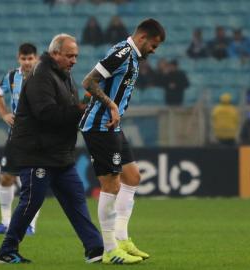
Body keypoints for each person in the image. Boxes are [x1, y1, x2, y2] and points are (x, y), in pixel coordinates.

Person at [0, 34, 103, 264]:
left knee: (76, 201)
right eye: (69, 55)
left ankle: (95, 250)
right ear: (55, 54)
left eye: (76, 56)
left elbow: (69, 109)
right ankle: (6, 250)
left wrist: (83, 106)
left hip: (60, 154)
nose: (74, 60)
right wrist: (81, 109)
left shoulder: (63, 75)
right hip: (37, 153)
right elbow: (47, 114)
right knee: (31, 201)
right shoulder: (41, 75)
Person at [80, 18, 165, 264]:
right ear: (142, 38)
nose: (154, 50)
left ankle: (121, 237)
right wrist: (111, 105)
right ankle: (109, 250)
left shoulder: (132, 56)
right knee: (111, 185)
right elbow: (88, 81)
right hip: (99, 126)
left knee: (133, 177)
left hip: (112, 125)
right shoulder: (122, 53)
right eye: (154, 45)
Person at [0, 43, 40, 235]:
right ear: (19, 58)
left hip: (37, 138)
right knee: (6, 177)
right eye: (23, 59)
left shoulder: (43, 76)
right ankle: (5, 222)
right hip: (16, 136)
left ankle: (31, 224)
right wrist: (4, 114)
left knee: (32, 182)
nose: (27, 62)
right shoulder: (11, 76)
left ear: (37, 58)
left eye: (30, 58)